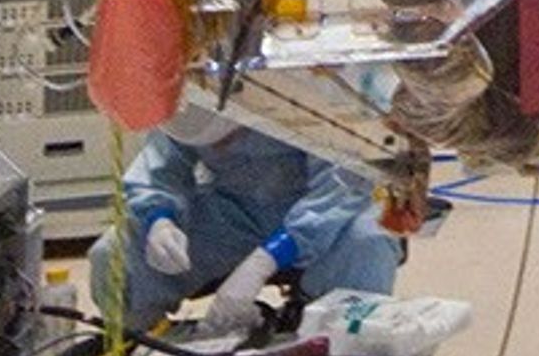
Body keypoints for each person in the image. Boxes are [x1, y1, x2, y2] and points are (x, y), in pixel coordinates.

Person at [86, 100, 406, 329]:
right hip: (234, 213)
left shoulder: (299, 95)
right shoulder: (186, 96)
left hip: (326, 213)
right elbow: (158, 169)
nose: (222, 150)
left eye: (229, 140)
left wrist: (265, 261)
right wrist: (159, 219)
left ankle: (353, 355)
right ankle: (140, 343)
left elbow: (339, 190)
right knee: (112, 254)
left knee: (368, 241)